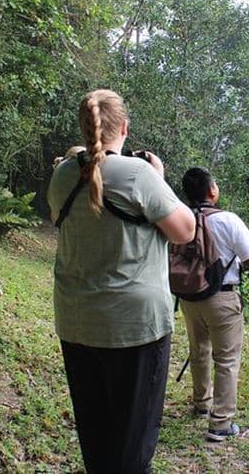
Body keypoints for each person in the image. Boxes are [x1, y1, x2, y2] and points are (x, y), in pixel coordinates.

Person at [47, 89, 195, 473]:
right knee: (132, 441)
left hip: (77, 322)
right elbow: (185, 231)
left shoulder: (63, 174)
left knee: (96, 432)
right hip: (135, 328)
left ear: (83, 127)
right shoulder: (138, 174)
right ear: (124, 127)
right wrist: (159, 177)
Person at [177, 167, 249, 442]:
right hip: (222, 298)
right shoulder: (228, 220)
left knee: (199, 351)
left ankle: (201, 403)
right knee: (227, 360)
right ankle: (220, 424)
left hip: (189, 296)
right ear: (211, 191)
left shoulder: (180, 217)